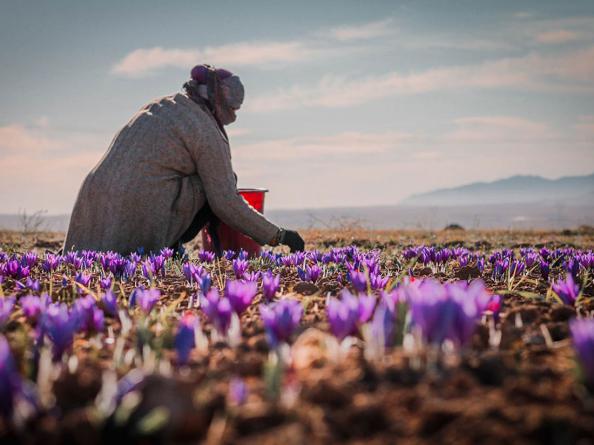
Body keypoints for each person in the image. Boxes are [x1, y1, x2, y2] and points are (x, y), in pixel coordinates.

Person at [63, 64, 305, 255]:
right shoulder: (206, 129)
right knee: (222, 181)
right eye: (233, 105)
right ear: (217, 98)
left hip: (91, 211)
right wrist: (279, 235)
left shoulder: (161, 105)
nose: (234, 113)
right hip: (138, 214)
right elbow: (225, 201)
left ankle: (153, 248)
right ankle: (171, 248)